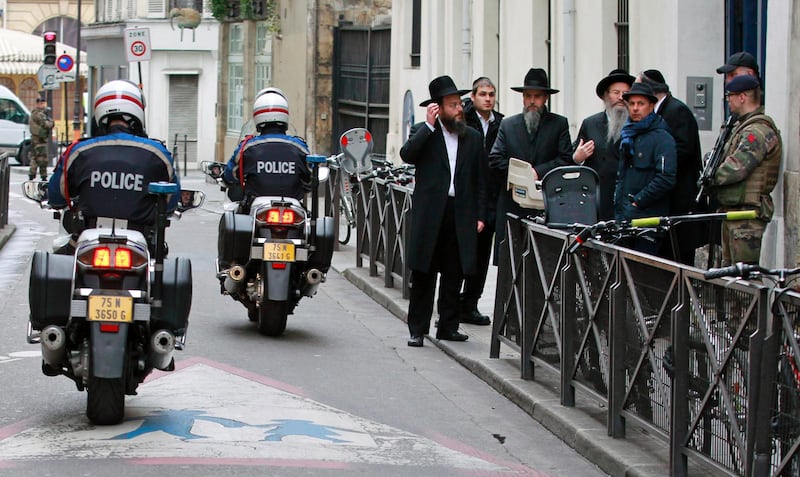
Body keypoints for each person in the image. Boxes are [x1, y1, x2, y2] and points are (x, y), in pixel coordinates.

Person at [401, 75, 487, 347]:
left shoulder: (472, 137)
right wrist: (428, 126)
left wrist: (481, 215)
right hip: (430, 215)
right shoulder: (423, 132)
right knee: (424, 274)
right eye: (452, 105)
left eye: (459, 104)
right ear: (438, 108)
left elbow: (481, 179)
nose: (459, 109)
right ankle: (417, 329)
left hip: (460, 212)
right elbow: (407, 155)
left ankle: (448, 326)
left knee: (454, 272)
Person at [48, 80, 180, 251]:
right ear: (138, 113)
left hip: (88, 239)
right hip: (141, 241)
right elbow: (170, 203)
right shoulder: (158, 153)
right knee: (160, 264)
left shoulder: (78, 151)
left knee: (59, 262)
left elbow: (57, 195)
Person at [489, 68, 572, 250]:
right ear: (523, 98)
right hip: (513, 206)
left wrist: (538, 172)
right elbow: (495, 159)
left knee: (544, 264)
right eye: (528, 96)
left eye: (537, 96)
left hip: (546, 207)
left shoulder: (559, 124)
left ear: (546, 98)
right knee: (510, 263)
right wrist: (522, 175)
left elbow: (566, 159)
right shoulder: (508, 125)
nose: (532, 101)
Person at [710, 75, 782, 265]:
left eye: (730, 96)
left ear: (742, 97)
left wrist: (711, 176)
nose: (728, 101)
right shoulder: (740, 126)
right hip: (734, 211)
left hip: (747, 214)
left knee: (744, 278)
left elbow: (737, 167)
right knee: (729, 275)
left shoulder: (757, 131)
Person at [638, 69, 704, 265]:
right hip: (663, 204)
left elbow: (684, 150)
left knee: (679, 260)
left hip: (679, 202)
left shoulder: (677, 111)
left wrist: (654, 162)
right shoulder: (655, 113)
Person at [222, 87, 311, 214]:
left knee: (231, 221)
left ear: (257, 116)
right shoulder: (300, 147)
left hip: (257, 209)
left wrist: (227, 178)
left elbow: (231, 175)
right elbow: (311, 176)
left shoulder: (247, 147)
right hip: (292, 208)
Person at [459, 76, 504, 326]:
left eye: (491, 94)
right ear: (473, 96)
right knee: (461, 252)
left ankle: (471, 303)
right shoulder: (463, 120)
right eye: (483, 94)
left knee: (482, 253)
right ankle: (453, 300)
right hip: (467, 194)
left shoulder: (501, 123)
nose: (488, 99)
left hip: (491, 195)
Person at [613, 83, 677, 254]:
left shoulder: (662, 137)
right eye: (632, 103)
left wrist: (638, 201)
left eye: (640, 104)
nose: (635, 108)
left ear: (651, 105)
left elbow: (666, 178)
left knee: (642, 273)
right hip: (625, 218)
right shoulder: (629, 133)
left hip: (648, 221)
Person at [572, 69, 635, 220]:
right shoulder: (590, 123)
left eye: (625, 93)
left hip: (628, 197)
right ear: (606, 95)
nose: (621, 97)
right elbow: (573, 154)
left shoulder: (637, 123)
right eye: (616, 92)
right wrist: (577, 157)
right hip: (598, 198)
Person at [28, 96, 54, 180]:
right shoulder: (39, 114)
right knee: (42, 159)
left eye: (44, 103)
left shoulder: (34, 113)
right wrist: (51, 122)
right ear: (38, 104)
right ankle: (43, 176)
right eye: (42, 103)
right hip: (40, 140)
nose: (43, 105)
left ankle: (31, 175)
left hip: (36, 140)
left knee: (35, 158)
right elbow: (46, 124)